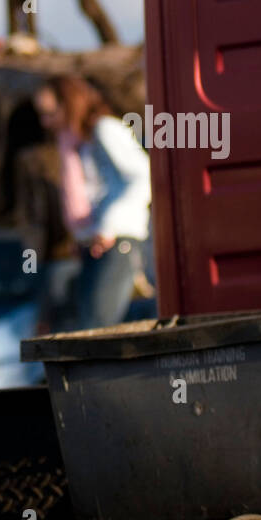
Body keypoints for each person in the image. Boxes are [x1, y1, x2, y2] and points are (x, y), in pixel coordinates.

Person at [34, 75, 151, 330]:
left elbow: (142, 176)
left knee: (95, 326)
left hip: (116, 240)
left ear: (70, 104)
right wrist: (83, 234)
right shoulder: (76, 142)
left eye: (51, 112)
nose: (46, 122)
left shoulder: (105, 129)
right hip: (94, 243)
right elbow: (91, 192)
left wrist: (108, 226)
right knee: (84, 321)